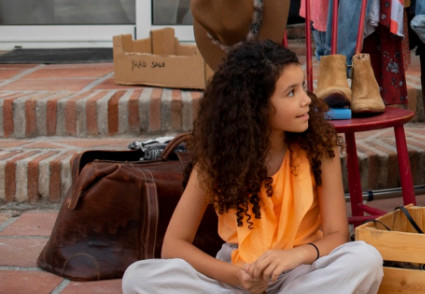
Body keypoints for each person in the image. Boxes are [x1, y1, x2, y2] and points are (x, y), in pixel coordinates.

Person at [122, 42, 383, 294]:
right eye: (291, 92)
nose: (306, 100)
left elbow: (337, 235)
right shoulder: (217, 158)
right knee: (138, 276)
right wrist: (236, 277)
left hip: (301, 272)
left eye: (303, 87)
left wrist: (295, 255)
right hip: (235, 276)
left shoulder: (320, 149)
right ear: (255, 107)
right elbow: (173, 246)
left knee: (365, 258)